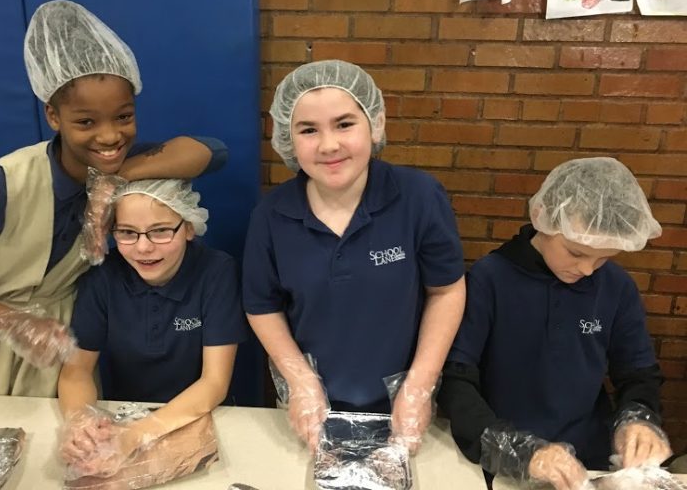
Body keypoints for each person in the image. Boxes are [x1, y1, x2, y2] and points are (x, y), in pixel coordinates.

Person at [0, 0, 225, 397]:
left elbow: (213, 152)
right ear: (52, 116)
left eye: (124, 116)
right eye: (85, 122)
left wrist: (113, 180)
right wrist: (11, 321)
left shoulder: (120, 163)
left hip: (59, 349)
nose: (110, 136)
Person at [242, 60, 466, 454]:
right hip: (310, 409)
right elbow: (262, 306)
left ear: (375, 124)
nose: (328, 145)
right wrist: (300, 381)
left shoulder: (418, 197)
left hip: (404, 407)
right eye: (308, 130)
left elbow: (446, 291)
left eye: (344, 124)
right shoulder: (271, 215)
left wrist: (419, 385)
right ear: (286, 138)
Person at [437, 157, 672, 490]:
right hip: (501, 464)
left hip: (587, 466)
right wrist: (514, 449)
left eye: (603, 258)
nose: (588, 270)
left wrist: (639, 417)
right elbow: (455, 380)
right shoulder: (490, 280)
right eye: (575, 253)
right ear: (541, 217)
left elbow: (637, 374)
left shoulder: (616, 287)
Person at [58, 178, 246, 477]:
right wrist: (81, 423)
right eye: (128, 233)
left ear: (188, 228)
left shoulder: (216, 273)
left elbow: (214, 383)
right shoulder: (103, 279)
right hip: (122, 417)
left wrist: (135, 436)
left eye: (160, 231)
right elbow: (76, 370)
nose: (144, 247)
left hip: (198, 416)